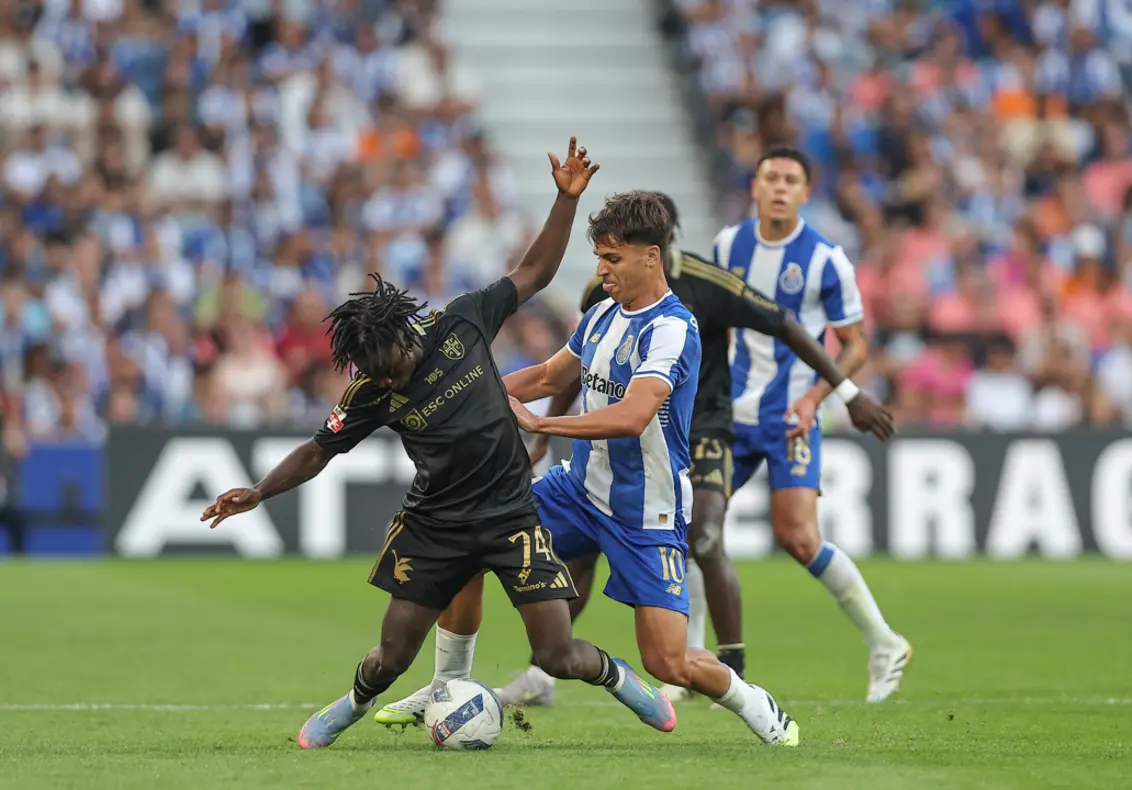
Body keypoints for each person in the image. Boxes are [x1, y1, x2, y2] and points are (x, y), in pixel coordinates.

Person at [201, 140, 682, 748]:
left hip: (511, 514)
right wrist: (260, 491)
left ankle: (619, 680)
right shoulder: (371, 390)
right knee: (391, 657)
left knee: (558, 653)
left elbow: (533, 272)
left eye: (395, 367)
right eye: (379, 376)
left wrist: (565, 201)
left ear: (409, 334)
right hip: (435, 524)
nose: (392, 381)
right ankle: (351, 705)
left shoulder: (461, 321)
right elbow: (319, 449)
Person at [393, 192, 895, 710]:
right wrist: (467, 390)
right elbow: (547, 375)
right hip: (579, 488)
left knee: (667, 660)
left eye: (611, 259)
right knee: (468, 542)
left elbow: (633, 418)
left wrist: (543, 422)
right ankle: (445, 687)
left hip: (645, 508)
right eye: (599, 258)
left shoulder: (674, 327)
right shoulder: (601, 314)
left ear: (651, 256)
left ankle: (752, 700)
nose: (601, 270)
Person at [714, 146, 911, 702]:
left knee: (798, 537)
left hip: (792, 416)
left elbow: (856, 345)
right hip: (733, 415)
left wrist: (816, 399)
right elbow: (719, 324)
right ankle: (690, 663)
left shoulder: (827, 260)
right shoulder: (729, 245)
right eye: (770, 177)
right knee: (692, 528)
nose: (779, 187)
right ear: (755, 185)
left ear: (805, 191)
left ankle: (884, 641)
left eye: (790, 180)